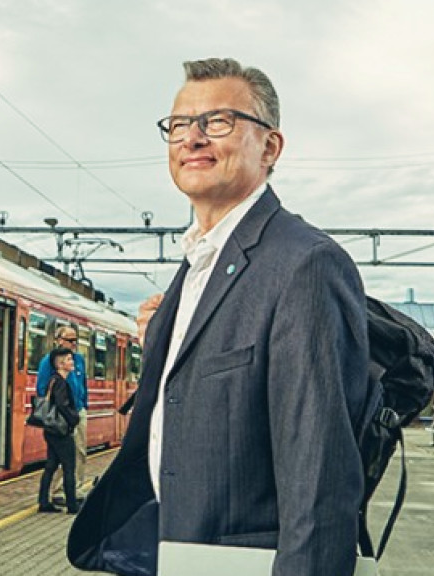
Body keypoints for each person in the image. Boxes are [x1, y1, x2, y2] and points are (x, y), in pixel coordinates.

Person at [67, 57, 371, 576]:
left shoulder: (305, 264)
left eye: (219, 122)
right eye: (180, 125)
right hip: (175, 552)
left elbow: (319, 487)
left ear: (270, 147)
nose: (193, 138)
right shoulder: (196, 268)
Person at [36, 325, 88, 502]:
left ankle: (76, 489)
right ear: (58, 340)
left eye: (75, 340)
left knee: (80, 451)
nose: (73, 344)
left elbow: (83, 384)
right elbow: (42, 388)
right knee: (61, 457)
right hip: (61, 415)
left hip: (77, 411)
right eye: (69, 340)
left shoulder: (79, 359)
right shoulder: (48, 362)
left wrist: (83, 406)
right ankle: (59, 492)